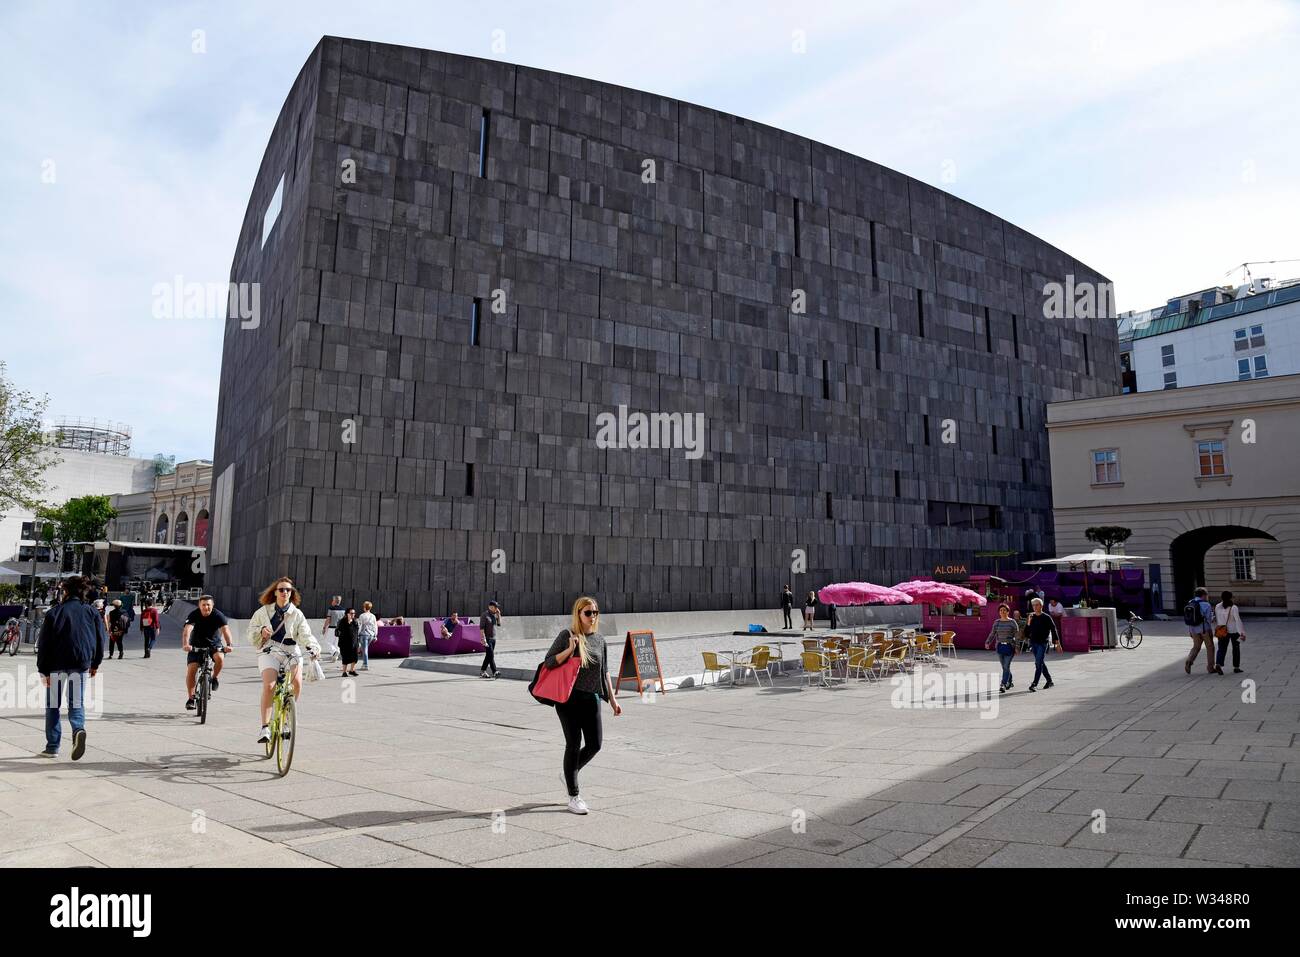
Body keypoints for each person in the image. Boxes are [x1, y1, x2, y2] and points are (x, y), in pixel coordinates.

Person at [543, 596, 621, 814]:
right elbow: (549, 661)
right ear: (578, 614)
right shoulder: (567, 635)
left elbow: (604, 671)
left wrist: (613, 700)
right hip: (568, 699)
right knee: (574, 743)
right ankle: (574, 796)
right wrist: (569, 650)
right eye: (588, 612)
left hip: (592, 698)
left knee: (595, 744)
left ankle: (570, 771)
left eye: (595, 612)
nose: (592, 616)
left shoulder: (600, 640)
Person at [35, 576, 103, 760]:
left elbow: (44, 644)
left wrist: (43, 669)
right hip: (80, 663)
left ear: (65, 591)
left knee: (53, 705)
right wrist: (95, 663)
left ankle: (52, 747)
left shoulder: (54, 613)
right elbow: (99, 638)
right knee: (76, 703)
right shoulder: (91, 612)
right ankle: (78, 730)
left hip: (56, 664)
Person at [248, 577, 321, 745]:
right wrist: (261, 631)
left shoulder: (297, 613)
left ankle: (287, 718)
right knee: (270, 686)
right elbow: (250, 631)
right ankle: (265, 727)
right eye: (281, 589)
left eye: (288, 590)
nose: (285, 592)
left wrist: (312, 647)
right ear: (275, 592)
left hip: (291, 649)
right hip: (269, 650)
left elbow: (305, 633)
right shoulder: (263, 611)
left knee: (297, 683)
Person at [181, 596, 234, 710]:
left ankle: (214, 677)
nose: (206, 607)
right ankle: (191, 698)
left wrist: (229, 644)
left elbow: (225, 630)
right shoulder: (194, 614)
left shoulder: (218, 615)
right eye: (203, 605)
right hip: (196, 645)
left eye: (208, 605)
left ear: (212, 605)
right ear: (199, 606)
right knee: (191, 670)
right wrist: (186, 644)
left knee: (220, 658)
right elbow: (187, 630)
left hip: (214, 645)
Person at [1023, 597, 1061, 692]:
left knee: (1038, 663)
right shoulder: (1031, 617)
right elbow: (1026, 633)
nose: (1035, 607)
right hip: (1033, 643)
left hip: (1043, 643)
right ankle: (1049, 681)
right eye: (1033, 605)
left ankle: (1034, 684)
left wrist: (1057, 644)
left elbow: (1053, 629)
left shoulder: (1046, 617)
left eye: (1037, 605)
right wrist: (1028, 623)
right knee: (1040, 663)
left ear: (1041, 606)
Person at [986, 604, 1019, 694]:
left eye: (1004, 610)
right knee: (1004, 667)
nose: (1002, 612)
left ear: (1008, 612)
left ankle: (1003, 684)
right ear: (999, 612)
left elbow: (1017, 636)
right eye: (1001, 610)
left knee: (1006, 666)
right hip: (1000, 646)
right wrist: (988, 642)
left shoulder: (1012, 622)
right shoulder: (997, 622)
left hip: (1010, 646)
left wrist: (1017, 647)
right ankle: (1010, 681)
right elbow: (992, 633)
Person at [1213, 591, 1246, 675]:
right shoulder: (1233, 607)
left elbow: (1216, 618)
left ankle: (1218, 664)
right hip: (1234, 630)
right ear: (1231, 598)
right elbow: (1237, 620)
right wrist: (1242, 632)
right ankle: (1236, 667)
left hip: (1222, 630)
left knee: (1221, 648)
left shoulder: (1217, 606)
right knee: (1236, 648)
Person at [1183, 587, 1215, 675]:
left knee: (1196, 647)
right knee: (1210, 647)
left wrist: (1190, 631)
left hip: (1193, 629)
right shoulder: (1206, 605)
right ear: (1203, 595)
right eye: (1206, 595)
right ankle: (1210, 667)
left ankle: (1189, 661)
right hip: (1204, 629)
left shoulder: (1190, 602)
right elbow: (1208, 619)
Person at [479, 600, 502, 678]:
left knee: (488, 656)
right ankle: (495, 671)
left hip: (493, 638)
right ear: (491, 607)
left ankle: (483, 671)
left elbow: (499, 624)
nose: (497, 608)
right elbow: (481, 628)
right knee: (491, 655)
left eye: (497, 607)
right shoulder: (484, 615)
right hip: (487, 638)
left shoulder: (494, 614)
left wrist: (499, 615)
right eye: (496, 607)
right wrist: (483, 639)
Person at [336, 607, 360, 677]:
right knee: (345, 657)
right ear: (347, 614)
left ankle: (352, 670)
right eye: (351, 613)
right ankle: (344, 672)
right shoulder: (342, 621)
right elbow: (341, 631)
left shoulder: (355, 621)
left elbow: (356, 632)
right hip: (344, 643)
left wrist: (358, 643)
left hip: (354, 642)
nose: (353, 615)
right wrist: (348, 623)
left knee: (355, 657)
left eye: (354, 613)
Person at [321, 595, 344, 660]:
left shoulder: (331, 609)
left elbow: (328, 620)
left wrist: (324, 628)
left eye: (332, 600)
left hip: (332, 628)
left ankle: (334, 652)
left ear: (334, 601)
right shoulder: (343, 610)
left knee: (327, 641)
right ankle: (335, 657)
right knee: (336, 644)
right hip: (340, 629)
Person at [357, 601, 378, 671]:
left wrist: (357, 634)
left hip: (364, 634)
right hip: (371, 635)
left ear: (364, 607)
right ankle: (364, 663)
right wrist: (375, 635)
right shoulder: (373, 616)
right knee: (365, 649)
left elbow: (359, 626)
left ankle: (365, 664)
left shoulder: (362, 615)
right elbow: (375, 626)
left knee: (365, 650)